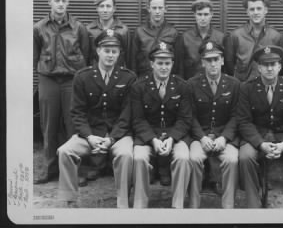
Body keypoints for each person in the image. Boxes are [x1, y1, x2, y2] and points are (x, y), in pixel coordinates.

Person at [57, 30, 137, 208]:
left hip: (118, 135)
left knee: (125, 154)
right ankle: (69, 201)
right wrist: (89, 136)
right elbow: (77, 112)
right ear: (98, 51)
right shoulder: (83, 76)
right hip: (91, 133)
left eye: (114, 51)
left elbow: (127, 114)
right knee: (65, 151)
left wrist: (112, 138)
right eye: (106, 50)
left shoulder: (128, 77)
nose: (110, 55)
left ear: (119, 53)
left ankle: (122, 203)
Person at [237, 45, 283, 208]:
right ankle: (253, 206)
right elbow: (244, 121)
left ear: (279, 67)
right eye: (265, 65)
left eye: (273, 64)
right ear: (259, 67)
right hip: (257, 136)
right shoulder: (247, 88)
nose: (269, 68)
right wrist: (260, 144)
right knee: (245, 157)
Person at [33, 0, 90, 184]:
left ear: (68, 3)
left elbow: (86, 54)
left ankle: (74, 169)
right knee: (48, 125)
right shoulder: (39, 28)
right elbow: (35, 57)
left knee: (73, 125)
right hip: (48, 80)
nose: (61, 4)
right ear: (49, 2)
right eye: (57, 0)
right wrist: (45, 74)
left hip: (71, 81)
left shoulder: (78, 27)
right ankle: (50, 169)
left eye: (64, 0)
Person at [131, 42, 192, 208]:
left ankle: (177, 205)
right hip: (148, 135)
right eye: (159, 63)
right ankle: (139, 205)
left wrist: (172, 138)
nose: (164, 67)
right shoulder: (139, 87)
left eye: (167, 63)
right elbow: (138, 119)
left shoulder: (182, 86)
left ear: (172, 64)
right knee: (139, 158)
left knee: (183, 158)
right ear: (152, 64)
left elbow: (185, 119)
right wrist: (153, 140)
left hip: (176, 135)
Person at [188, 40, 240, 208]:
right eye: (208, 60)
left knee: (231, 159)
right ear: (202, 62)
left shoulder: (234, 84)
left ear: (223, 61)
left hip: (224, 137)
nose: (212, 64)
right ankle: (193, 208)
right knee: (194, 158)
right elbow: (190, 116)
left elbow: (236, 116)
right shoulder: (192, 84)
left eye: (216, 59)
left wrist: (224, 138)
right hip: (200, 137)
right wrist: (202, 138)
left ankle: (228, 209)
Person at [224, 0, 283, 82]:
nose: (255, 12)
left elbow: (282, 65)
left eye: (259, 8)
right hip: (242, 87)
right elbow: (229, 66)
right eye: (252, 9)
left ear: (266, 10)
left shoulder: (276, 36)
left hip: (267, 87)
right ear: (247, 12)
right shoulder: (235, 36)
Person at [131, 0, 180, 77]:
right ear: (148, 9)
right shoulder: (139, 32)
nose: (157, 12)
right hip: (144, 80)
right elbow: (132, 62)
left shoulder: (173, 32)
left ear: (166, 9)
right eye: (154, 8)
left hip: (166, 79)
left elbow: (178, 64)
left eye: (160, 8)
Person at [180, 0, 226, 80]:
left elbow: (225, 67)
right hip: (191, 85)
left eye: (206, 14)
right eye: (199, 14)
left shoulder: (221, 37)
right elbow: (180, 68)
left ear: (211, 14)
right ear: (194, 14)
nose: (203, 18)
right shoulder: (185, 37)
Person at [86, 0, 132, 69]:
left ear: (114, 8)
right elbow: (86, 57)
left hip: (118, 75)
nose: (105, 10)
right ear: (97, 8)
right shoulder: (89, 30)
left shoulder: (123, 30)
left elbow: (128, 58)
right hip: (95, 75)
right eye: (102, 6)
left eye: (108, 6)